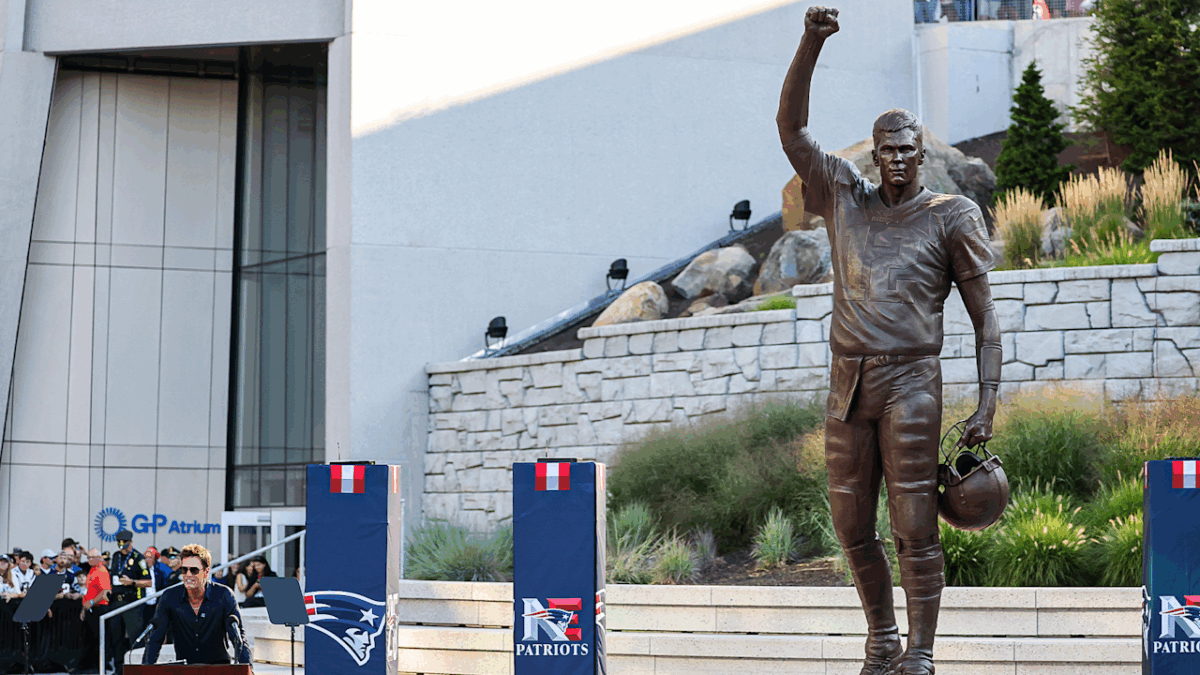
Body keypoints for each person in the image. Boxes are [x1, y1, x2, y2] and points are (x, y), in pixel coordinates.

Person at [778, 8, 999, 675]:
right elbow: (791, 129)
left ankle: (920, 650)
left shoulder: (952, 215)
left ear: (921, 154)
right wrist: (810, 43)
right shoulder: (843, 196)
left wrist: (987, 402)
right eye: (887, 150)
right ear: (874, 155)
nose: (897, 159)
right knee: (851, 525)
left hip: (911, 382)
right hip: (848, 383)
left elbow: (985, 317)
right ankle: (881, 638)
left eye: (908, 149)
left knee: (914, 523)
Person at [142, 543, 252, 666]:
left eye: (194, 570)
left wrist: (248, 671)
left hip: (219, 668)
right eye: (184, 570)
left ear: (206, 572)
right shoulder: (169, 596)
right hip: (185, 669)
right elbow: (155, 639)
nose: (188, 575)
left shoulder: (224, 595)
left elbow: (239, 638)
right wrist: (145, 670)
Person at [107, 529, 152, 675]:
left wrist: (132, 582)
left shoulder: (138, 558)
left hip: (133, 603)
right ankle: (119, 670)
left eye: (125, 544)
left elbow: (148, 582)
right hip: (116, 602)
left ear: (131, 542)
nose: (122, 547)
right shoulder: (116, 556)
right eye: (119, 544)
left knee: (135, 637)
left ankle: (137, 669)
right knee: (116, 638)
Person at [80, 548, 111, 673]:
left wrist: (92, 602)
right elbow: (88, 592)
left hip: (99, 608)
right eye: (88, 557)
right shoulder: (92, 570)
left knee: (98, 638)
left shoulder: (102, 570)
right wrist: (84, 609)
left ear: (98, 558)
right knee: (90, 639)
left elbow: (105, 592)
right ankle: (90, 665)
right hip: (90, 608)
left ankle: (99, 666)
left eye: (92, 557)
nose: (89, 560)